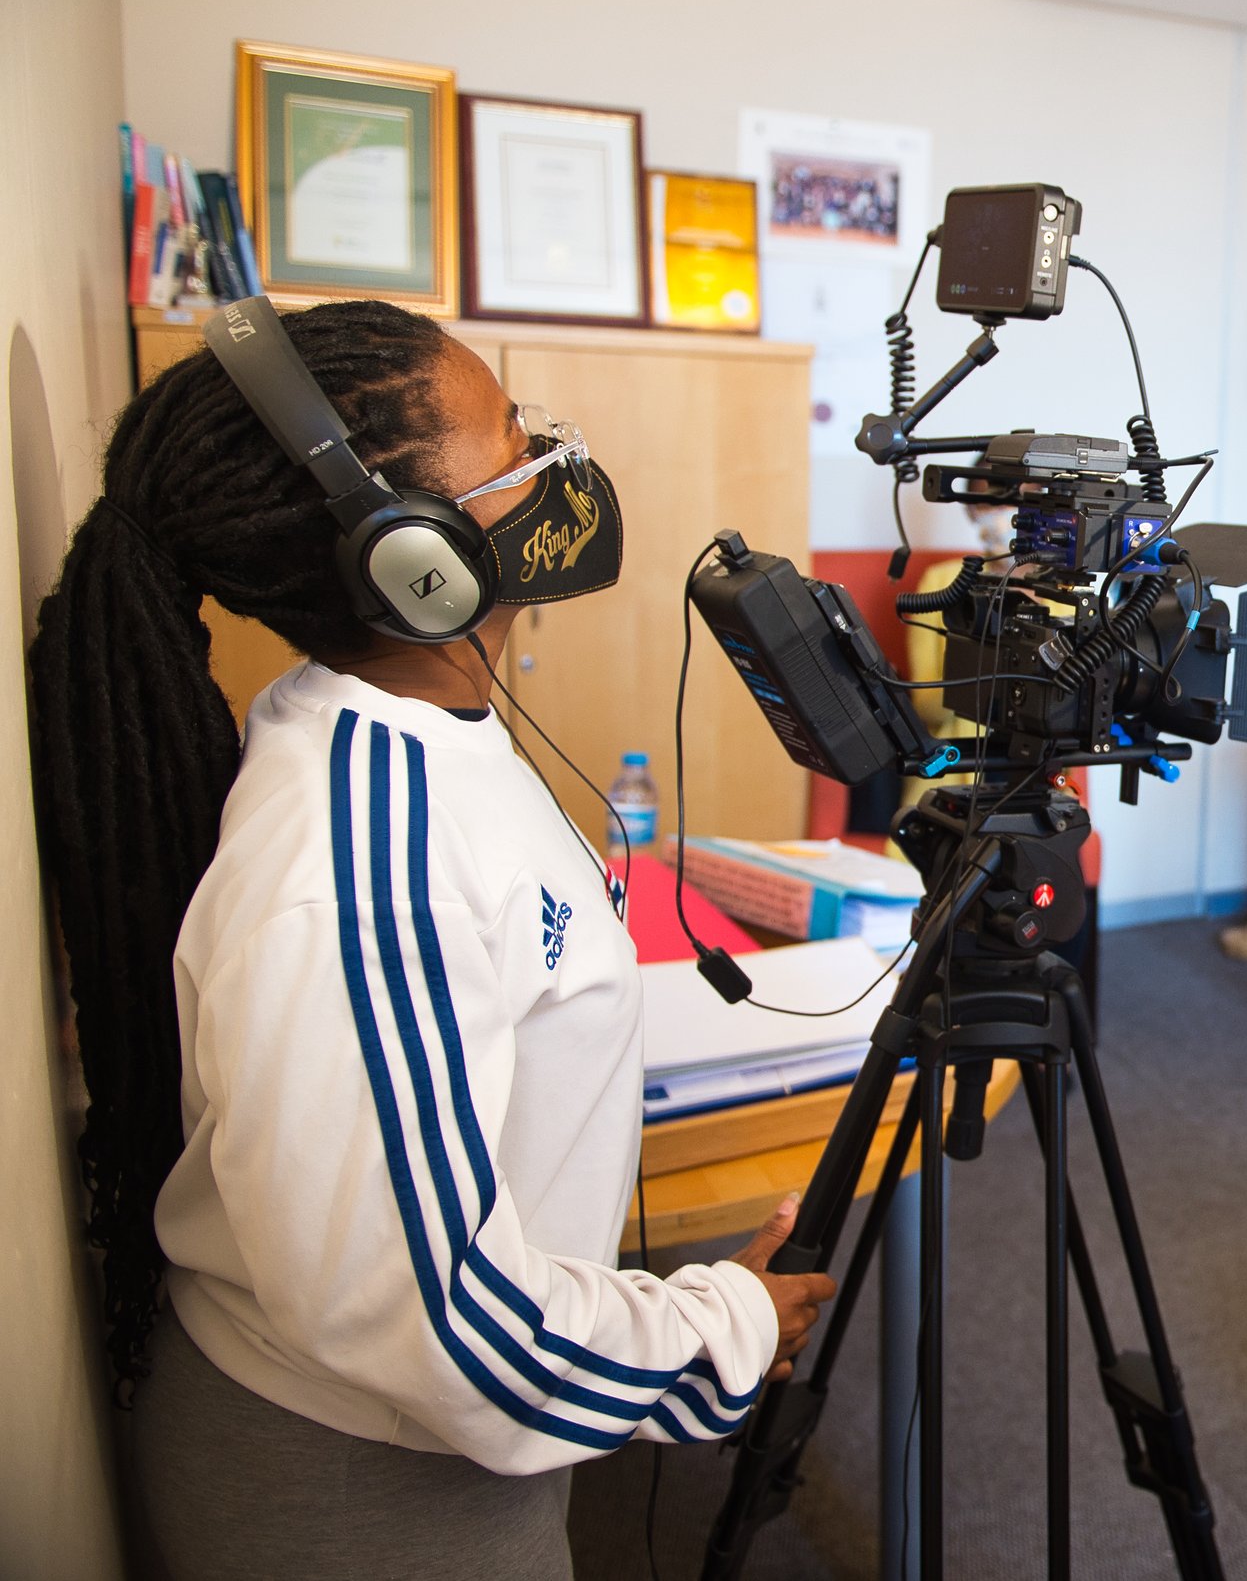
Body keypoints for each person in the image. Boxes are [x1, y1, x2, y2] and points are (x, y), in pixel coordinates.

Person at [29, 301, 836, 1579]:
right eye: (515, 437)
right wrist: (718, 1326)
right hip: (361, 1486)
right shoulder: (357, 867)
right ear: (412, 554)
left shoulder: (398, 729)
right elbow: (442, 1321)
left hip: (406, 1433)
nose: (557, 455)